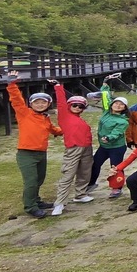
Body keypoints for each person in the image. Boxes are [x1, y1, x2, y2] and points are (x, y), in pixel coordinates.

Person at [6, 70, 63, 218]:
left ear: (48, 104)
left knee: (39, 179)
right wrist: (12, 83)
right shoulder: (24, 114)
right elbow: (16, 100)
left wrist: (68, 130)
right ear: (31, 104)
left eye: (43, 102)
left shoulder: (45, 118)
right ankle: (30, 207)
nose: (39, 104)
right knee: (31, 181)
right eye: (36, 102)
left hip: (41, 153)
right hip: (26, 153)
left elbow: (54, 130)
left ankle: (36, 200)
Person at [49, 80, 94, 216]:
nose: (77, 107)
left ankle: (80, 194)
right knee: (68, 175)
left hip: (86, 147)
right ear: (69, 105)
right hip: (73, 148)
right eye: (74, 105)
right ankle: (59, 203)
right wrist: (58, 86)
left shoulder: (80, 119)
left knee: (84, 172)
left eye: (81, 106)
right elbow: (61, 102)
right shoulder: (64, 115)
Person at [87, 75, 130, 198]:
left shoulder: (123, 121)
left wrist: (109, 137)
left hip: (116, 147)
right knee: (95, 163)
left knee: (115, 167)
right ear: (112, 104)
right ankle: (91, 183)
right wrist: (106, 82)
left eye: (121, 105)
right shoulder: (106, 111)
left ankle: (116, 188)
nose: (118, 105)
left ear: (124, 109)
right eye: (116, 103)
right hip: (104, 146)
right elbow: (105, 96)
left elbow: (117, 133)